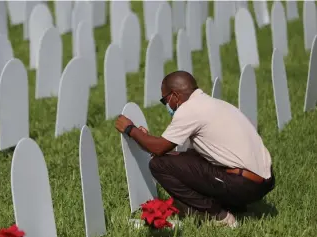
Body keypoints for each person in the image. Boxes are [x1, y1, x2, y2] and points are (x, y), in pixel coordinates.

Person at [115, 71, 275, 228]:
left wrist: (130, 129)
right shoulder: (215, 104)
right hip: (262, 181)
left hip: (244, 184)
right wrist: (147, 140)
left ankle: (219, 216)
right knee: (187, 158)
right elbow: (178, 156)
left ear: (175, 96)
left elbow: (159, 149)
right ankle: (236, 207)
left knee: (158, 165)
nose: (167, 106)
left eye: (165, 101)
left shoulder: (189, 109)